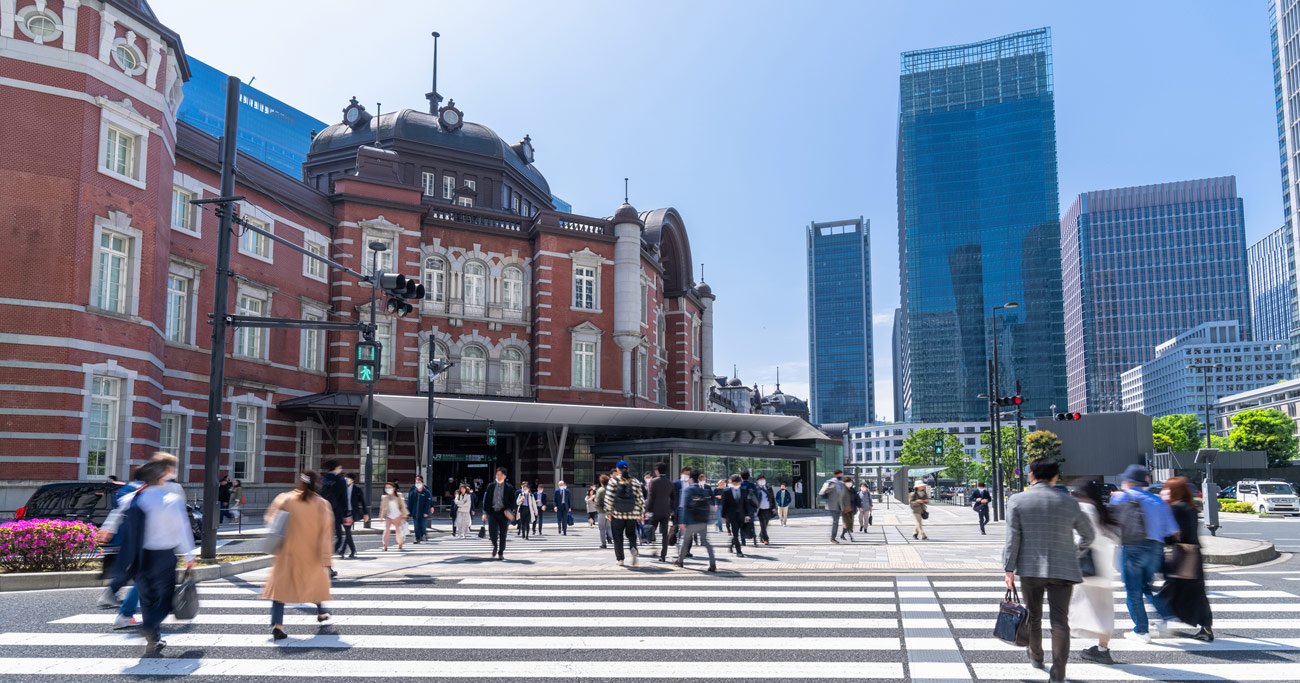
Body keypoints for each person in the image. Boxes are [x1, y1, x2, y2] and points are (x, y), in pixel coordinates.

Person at [1003, 459, 1094, 683]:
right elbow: (1088, 536)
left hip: (1030, 568)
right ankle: (1058, 673)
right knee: (1060, 622)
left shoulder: (1017, 500)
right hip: (1063, 568)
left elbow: (1013, 539)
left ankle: (1036, 656)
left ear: (1032, 475)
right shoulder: (1069, 502)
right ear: (1055, 477)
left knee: (1033, 616)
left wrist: (1009, 569)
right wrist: (1074, 552)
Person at [110, 453, 195, 654]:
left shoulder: (133, 497)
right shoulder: (171, 499)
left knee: (146, 598)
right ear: (162, 475)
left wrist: (107, 529)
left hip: (139, 556)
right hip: (164, 556)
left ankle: (153, 639)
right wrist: (189, 556)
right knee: (164, 599)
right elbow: (182, 529)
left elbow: (117, 514)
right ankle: (149, 628)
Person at [1110, 464, 1178, 643]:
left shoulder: (1123, 497)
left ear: (1129, 481)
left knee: (1133, 590)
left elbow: (1111, 521)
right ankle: (1165, 613)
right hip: (1155, 548)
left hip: (1132, 547)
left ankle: (1141, 630)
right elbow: (1171, 529)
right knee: (1145, 585)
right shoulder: (1158, 501)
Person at [264, 470, 334, 640]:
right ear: (317, 484)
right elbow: (325, 535)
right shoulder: (321, 504)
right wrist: (327, 560)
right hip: (310, 554)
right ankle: (322, 611)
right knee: (315, 584)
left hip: (286, 553)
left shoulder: (285, 498)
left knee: (280, 590)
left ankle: (277, 625)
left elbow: (270, 519)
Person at [1157, 476, 1214, 642]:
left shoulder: (1176, 509)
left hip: (1181, 554)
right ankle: (1206, 628)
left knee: (1170, 591)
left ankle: (1163, 623)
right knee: (1195, 592)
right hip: (1193, 553)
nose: (1164, 491)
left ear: (1174, 490)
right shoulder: (1190, 507)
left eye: (1167, 488)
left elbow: (1172, 534)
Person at [1070, 478, 1120, 665]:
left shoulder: (1082, 510)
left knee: (1072, 606)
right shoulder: (1102, 510)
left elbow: (1078, 538)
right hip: (1103, 568)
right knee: (1104, 610)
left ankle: (1061, 642)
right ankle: (1102, 649)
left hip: (1085, 566)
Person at [604, 460, 646, 567]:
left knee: (618, 537)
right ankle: (633, 547)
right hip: (632, 514)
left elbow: (608, 498)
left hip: (617, 514)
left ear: (617, 469)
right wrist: (641, 513)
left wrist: (608, 512)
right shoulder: (635, 481)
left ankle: (620, 560)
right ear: (627, 469)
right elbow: (640, 499)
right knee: (631, 534)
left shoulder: (613, 481)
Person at [676, 470, 717, 572]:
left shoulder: (688, 490)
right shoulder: (703, 490)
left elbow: (684, 506)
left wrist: (682, 521)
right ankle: (712, 563)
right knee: (705, 542)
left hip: (691, 520)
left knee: (685, 541)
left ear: (691, 479)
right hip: (702, 520)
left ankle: (680, 561)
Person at [481, 468, 516, 560]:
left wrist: (509, 510)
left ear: (504, 476)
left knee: (503, 533)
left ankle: (501, 551)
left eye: (500, 474)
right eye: (497, 474)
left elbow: (513, 502)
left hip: (503, 513)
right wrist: (484, 513)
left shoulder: (510, 488)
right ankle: (495, 546)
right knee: (492, 532)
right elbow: (486, 500)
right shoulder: (490, 486)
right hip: (492, 512)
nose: (498, 476)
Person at [721, 474, 756, 556]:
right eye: (735, 483)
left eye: (738, 483)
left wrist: (747, 514)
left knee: (739, 533)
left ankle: (731, 545)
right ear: (732, 483)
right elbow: (724, 505)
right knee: (735, 534)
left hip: (741, 515)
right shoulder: (726, 492)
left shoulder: (744, 491)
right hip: (732, 516)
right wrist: (723, 516)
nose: (736, 485)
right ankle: (739, 551)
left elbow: (745, 503)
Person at [646, 463, 674, 562]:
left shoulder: (653, 482)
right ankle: (663, 555)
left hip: (655, 511)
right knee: (664, 534)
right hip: (666, 511)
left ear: (657, 470)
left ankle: (653, 547)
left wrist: (647, 510)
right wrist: (672, 510)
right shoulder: (670, 482)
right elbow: (673, 498)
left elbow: (651, 497)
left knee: (651, 529)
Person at [319, 460, 347, 558]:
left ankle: (322, 555)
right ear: (337, 468)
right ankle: (328, 556)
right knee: (338, 537)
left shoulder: (322, 479)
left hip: (321, 510)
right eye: (340, 467)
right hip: (336, 511)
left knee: (323, 535)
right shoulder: (341, 480)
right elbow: (344, 498)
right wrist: (346, 513)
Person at [338, 472, 368, 559]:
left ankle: (342, 551)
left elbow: (363, 501)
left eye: (348, 478)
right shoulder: (343, 488)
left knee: (347, 531)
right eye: (345, 478)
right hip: (344, 512)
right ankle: (353, 550)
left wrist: (366, 513)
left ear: (353, 480)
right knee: (348, 532)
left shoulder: (357, 489)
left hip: (352, 513)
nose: (346, 480)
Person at [819, 470, 849, 543]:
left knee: (846, 520)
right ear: (836, 475)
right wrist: (829, 488)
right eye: (840, 475)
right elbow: (822, 492)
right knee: (835, 522)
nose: (841, 476)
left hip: (841, 506)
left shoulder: (842, 484)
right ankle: (833, 538)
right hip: (833, 505)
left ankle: (843, 534)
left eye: (841, 475)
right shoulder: (830, 482)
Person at [380, 481, 408, 551]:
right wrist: (381, 516)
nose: (387, 489)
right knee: (386, 530)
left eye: (389, 487)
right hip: (388, 516)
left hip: (397, 515)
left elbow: (403, 506)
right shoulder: (384, 497)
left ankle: (400, 543)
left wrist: (404, 515)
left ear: (394, 488)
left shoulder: (399, 495)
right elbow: (383, 507)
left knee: (398, 530)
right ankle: (385, 545)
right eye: (386, 488)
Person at [407, 476, 435, 544]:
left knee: (423, 525)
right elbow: (410, 501)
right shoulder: (413, 489)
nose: (417, 483)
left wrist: (430, 507)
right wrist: (409, 511)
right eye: (416, 482)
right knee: (416, 526)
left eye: (419, 482)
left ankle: (423, 534)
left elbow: (429, 501)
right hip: (415, 512)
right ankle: (418, 538)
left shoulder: (426, 491)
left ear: (422, 483)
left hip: (423, 512)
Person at [755, 475, 776, 545]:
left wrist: (773, 507)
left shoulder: (769, 488)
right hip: (760, 510)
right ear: (757, 481)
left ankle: (761, 536)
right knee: (762, 525)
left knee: (765, 525)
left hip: (768, 509)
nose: (762, 480)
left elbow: (773, 498)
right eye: (760, 479)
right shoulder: (756, 489)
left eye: (763, 479)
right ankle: (766, 539)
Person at [594, 473, 612, 548]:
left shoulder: (600, 490)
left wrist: (597, 508)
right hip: (610, 511)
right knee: (608, 527)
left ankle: (603, 543)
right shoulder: (611, 489)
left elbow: (597, 501)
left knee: (602, 528)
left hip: (601, 512)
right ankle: (611, 538)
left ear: (601, 482)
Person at [839, 477, 859, 542]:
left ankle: (842, 535)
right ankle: (851, 537)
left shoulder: (853, 490)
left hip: (852, 509)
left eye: (850, 482)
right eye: (848, 482)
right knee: (848, 524)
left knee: (849, 524)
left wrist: (858, 506)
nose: (849, 483)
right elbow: (840, 500)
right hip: (845, 510)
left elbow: (857, 499)